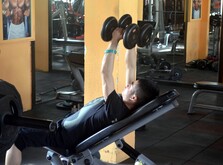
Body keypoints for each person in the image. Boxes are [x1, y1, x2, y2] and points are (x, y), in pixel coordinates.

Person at [5, 27, 160, 165]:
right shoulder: (128, 105)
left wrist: (114, 41)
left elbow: (106, 74)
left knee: (17, 138)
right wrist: (130, 42)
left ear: (134, 98)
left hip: (64, 138)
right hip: (63, 127)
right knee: (22, 125)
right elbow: (130, 66)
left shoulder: (115, 109)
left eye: (131, 86)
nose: (128, 84)